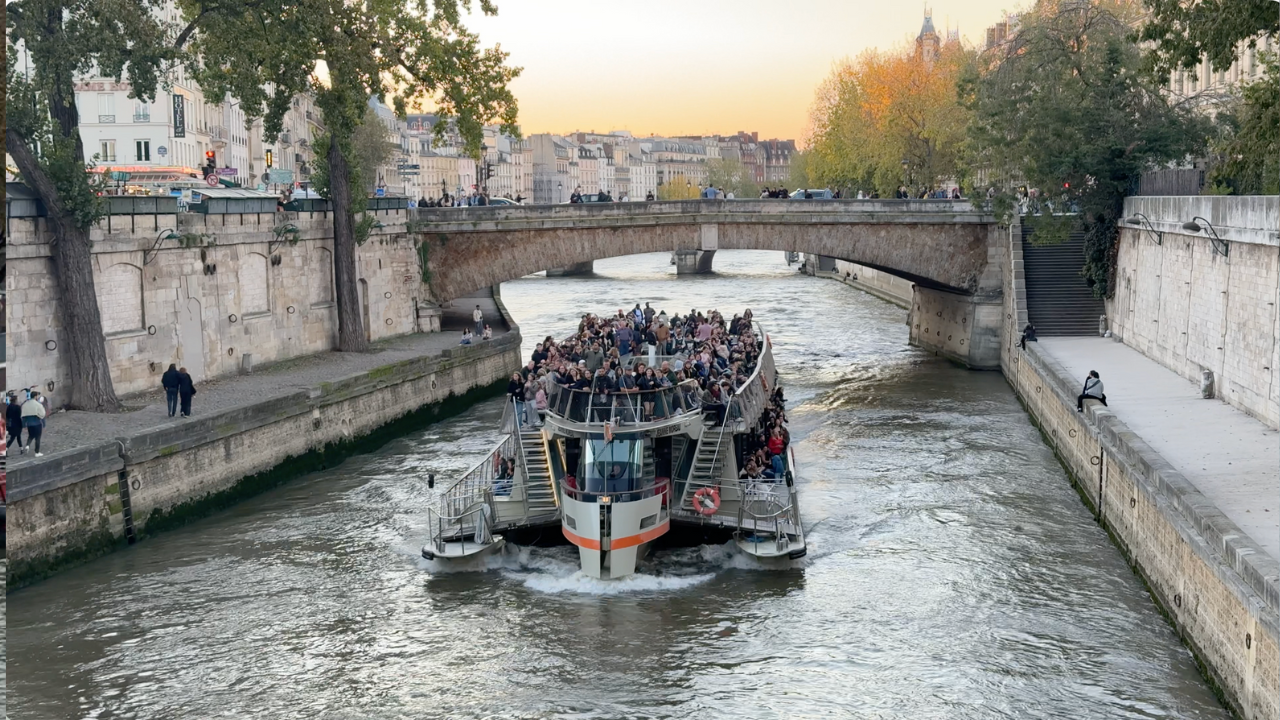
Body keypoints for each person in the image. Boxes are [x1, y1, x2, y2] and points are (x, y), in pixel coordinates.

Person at [21, 391, 47, 456]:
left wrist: (24, 425)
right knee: (37, 438)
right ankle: (37, 452)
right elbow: (42, 414)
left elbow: (24, 417)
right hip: (37, 423)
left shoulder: (25, 404)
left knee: (31, 435)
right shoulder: (38, 404)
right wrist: (43, 424)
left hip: (29, 424)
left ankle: (27, 445)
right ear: (35, 396)